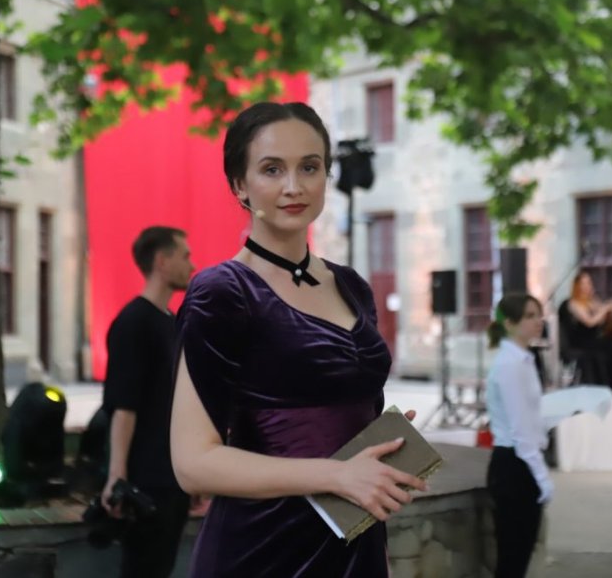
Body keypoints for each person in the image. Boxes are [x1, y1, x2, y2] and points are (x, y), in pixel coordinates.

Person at [169, 102, 427, 577]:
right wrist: (338, 474)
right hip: (261, 552)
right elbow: (192, 464)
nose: (294, 186)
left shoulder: (352, 286)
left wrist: (383, 453)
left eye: (309, 167)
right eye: (272, 169)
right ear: (240, 185)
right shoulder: (222, 292)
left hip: (355, 544)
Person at [101, 226, 195, 578]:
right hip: (146, 479)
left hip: (172, 476)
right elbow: (123, 406)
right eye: (184, 256)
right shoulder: (133, 323)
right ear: (161, 261)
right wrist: (117, 476)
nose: (192, 265)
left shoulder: (170, 322)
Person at [485, 293, 552, 578]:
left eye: (539, 315)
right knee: (512, 559)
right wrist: (541, 475)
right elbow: (520, 429)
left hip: (519, 462)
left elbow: (529, 416)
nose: (538, 321)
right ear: (510, 323)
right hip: (514, 465)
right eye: (529, 316)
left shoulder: (523, 359)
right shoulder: (510, 364)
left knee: (519, 555)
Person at [563, 271, 612, 387]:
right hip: (582, 341)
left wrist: (605, 307)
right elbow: (589, 322)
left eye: (589, 283)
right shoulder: (573, 304)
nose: (587, 286)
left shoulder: (591, 302)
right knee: (601, 350)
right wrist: (604, 309)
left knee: (611, 346)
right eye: (583, 283)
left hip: (595, 340)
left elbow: (600, 320)